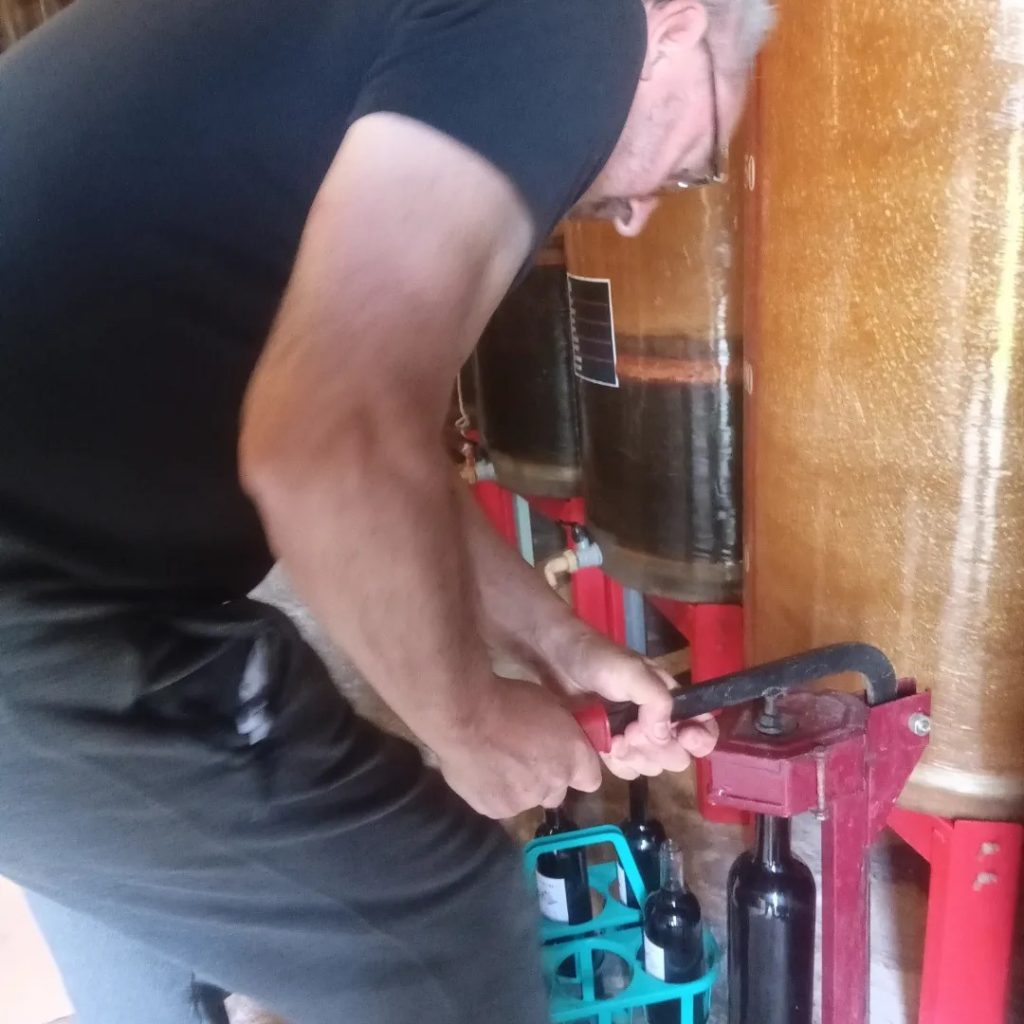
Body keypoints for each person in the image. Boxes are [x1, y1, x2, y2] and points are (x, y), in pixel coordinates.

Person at [0, 0, 772, 1022]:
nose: (638, 216)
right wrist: (471, 722)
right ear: (674, 31)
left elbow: (377, 442)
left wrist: (558, 645)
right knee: (438, 915)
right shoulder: (573, 21)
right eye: (691, 167)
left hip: (60, 568)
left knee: (142, 896)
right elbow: (331, 442)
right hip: (41, 591)